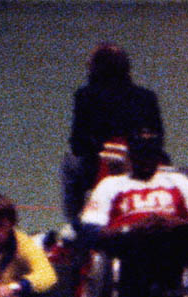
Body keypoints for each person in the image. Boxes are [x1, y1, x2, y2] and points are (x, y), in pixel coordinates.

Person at [80, 129, 188, 297]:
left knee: (177, 239)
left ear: (158, 157)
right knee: (138, 245)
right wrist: (132, 228)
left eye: (151, 156)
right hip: (130, 245)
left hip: (173, 245)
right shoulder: (110, 185)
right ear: (129, 157)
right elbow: (90, 232)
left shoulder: (178, 182)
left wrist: (174, 223)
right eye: (140, 156)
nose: (146, 162)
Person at [61, 42, 164, 226]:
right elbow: (159, 137)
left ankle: (75, 223)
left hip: (99, 165)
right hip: (143, 161)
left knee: (68, 164)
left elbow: (78, 143)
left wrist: (100, 150)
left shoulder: (85, 95)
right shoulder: (146, 96)